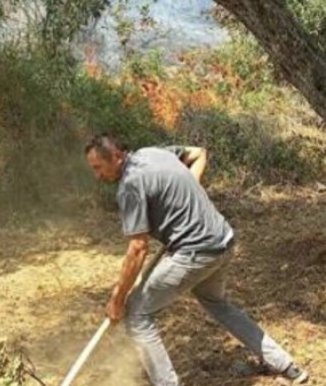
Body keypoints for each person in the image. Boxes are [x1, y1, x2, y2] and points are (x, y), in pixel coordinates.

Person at [84, 133, 309, 385]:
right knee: (218, 303)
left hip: (196, 253)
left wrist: (117, 299)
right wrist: (190, 187)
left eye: (98, 167)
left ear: (115, 156)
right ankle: (287, 366)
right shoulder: (153, 153)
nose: (97, 175)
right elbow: (198, 153)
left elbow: (138, 248)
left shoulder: (130, 186)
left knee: (137, 314)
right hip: (223, 240)